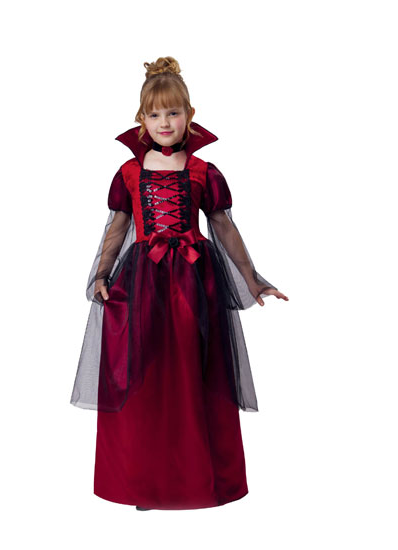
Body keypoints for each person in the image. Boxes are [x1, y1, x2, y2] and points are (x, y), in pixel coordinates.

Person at [70, 56, 289, 511]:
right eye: (155, 114)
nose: (165, 122)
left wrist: (253, 280)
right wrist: (101, 275)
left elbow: (224, 227)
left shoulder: (204, 171)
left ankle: (195, 481)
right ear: (141, 119)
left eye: (173, 112)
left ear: (189, 114)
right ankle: (144, 483)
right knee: (144, 377)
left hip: (194, 282)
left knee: (193, 375)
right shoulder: (129, 173)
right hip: (142, 282)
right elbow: (117, 228)